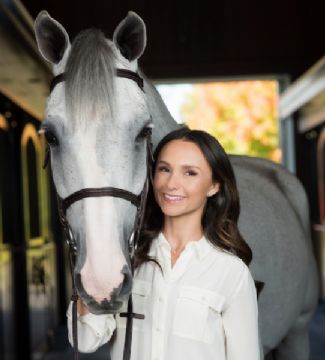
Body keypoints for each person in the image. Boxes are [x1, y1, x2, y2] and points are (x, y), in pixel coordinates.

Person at [67, 127, 262, 359]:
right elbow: (86, 339)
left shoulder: (231, 272)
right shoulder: (124, 259)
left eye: (190, 173)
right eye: (164, 169)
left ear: (214, 186)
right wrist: (94, 259)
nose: (171, 184)